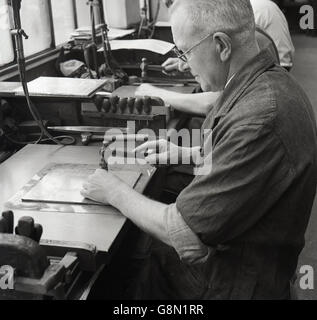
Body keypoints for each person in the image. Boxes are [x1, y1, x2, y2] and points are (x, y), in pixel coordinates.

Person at [81, 0, 317, 299]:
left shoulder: (261, 117)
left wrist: (113, 191)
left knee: (126, 269)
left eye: (186, 51)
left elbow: (187, 237)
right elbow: (241, 162)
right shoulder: (266, 82)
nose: (185, 64)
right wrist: (185, 152)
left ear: (221, 46)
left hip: (237, 283)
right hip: (253, 255)